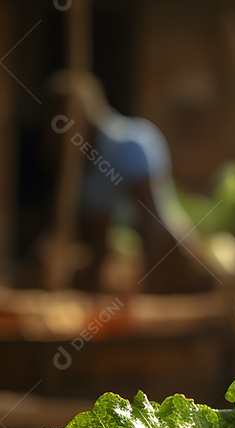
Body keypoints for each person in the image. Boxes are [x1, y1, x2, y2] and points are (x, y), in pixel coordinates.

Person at [45, 71, 216, 294]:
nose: (56, 135)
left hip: (170, 262)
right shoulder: (87, 166)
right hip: (131, 271)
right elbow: (99, 240)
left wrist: (146, 293)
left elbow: (153, 225)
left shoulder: (129, 143)